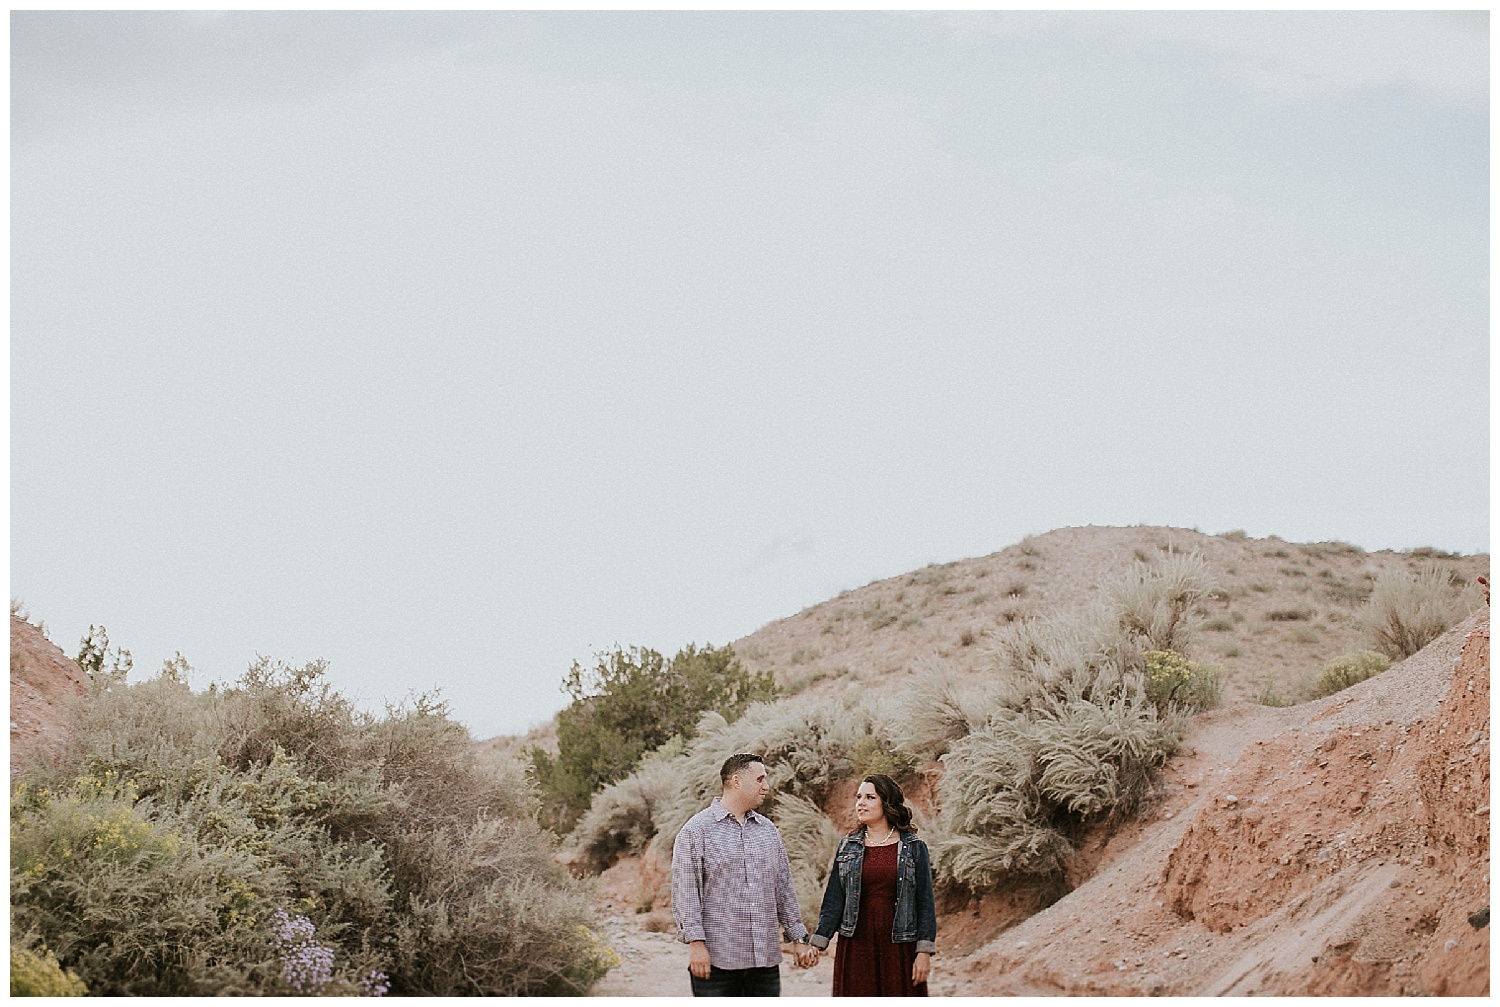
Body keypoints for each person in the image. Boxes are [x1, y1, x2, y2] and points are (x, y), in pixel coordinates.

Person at [671, 753, 819, 996]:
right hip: (718, 963)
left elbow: (783, 889)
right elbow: (686, 892)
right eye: (760, 779)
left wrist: (799, 940)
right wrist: (696, 945)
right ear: (737, 781)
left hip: (765, 962)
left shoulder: (768, 830)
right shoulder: (696, 831)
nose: (766, 786)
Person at [810, 774, 937, 996]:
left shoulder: (914, 847)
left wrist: (924, 951)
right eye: (859, 797)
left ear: (886, 802)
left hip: (900, 945)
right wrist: (819, 942)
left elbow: (925, 902)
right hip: (856, 944)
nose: (861, 803)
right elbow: (834, 899)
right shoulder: (847, 846)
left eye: (870, 797)